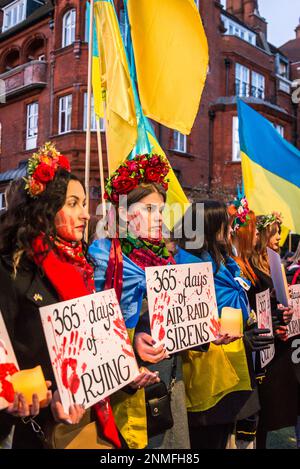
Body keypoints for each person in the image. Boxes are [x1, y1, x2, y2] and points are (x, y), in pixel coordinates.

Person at [0, 143, 119, 448]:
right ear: (47, 208)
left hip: (91, 421)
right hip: (39, 432)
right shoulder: (13, 268)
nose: (86, 213)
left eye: (84, 203)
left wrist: (128, 367)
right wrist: (28, 397)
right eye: (74, 203)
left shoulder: (82, 264)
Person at [89, 153, 190, 449]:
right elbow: (95, 324)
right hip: (126, 389)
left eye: (161, 209)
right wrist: (132, 345)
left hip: (169, 379)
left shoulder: (165, 258)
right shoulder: (103, 256)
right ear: (123, 213)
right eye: (149, 209)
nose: (159, 217)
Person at [175, 201, 272, 449]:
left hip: (231, 372)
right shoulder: (189, 270)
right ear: (207, 228)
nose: (231, 230)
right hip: (208, 379)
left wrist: (248, 330)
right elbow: (191, 330)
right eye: (224, 225)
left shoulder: (224, 263)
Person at [250, 212, 299, 448]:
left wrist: (285, 316)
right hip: (258, 350)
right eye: (275, 232)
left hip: (276, 347)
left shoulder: (274, 262)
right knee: (257, 416)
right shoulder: (249, 265)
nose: (279, 236)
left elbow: (280, 303)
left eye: (280, 232)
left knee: (269, 413)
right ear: (261, 235)